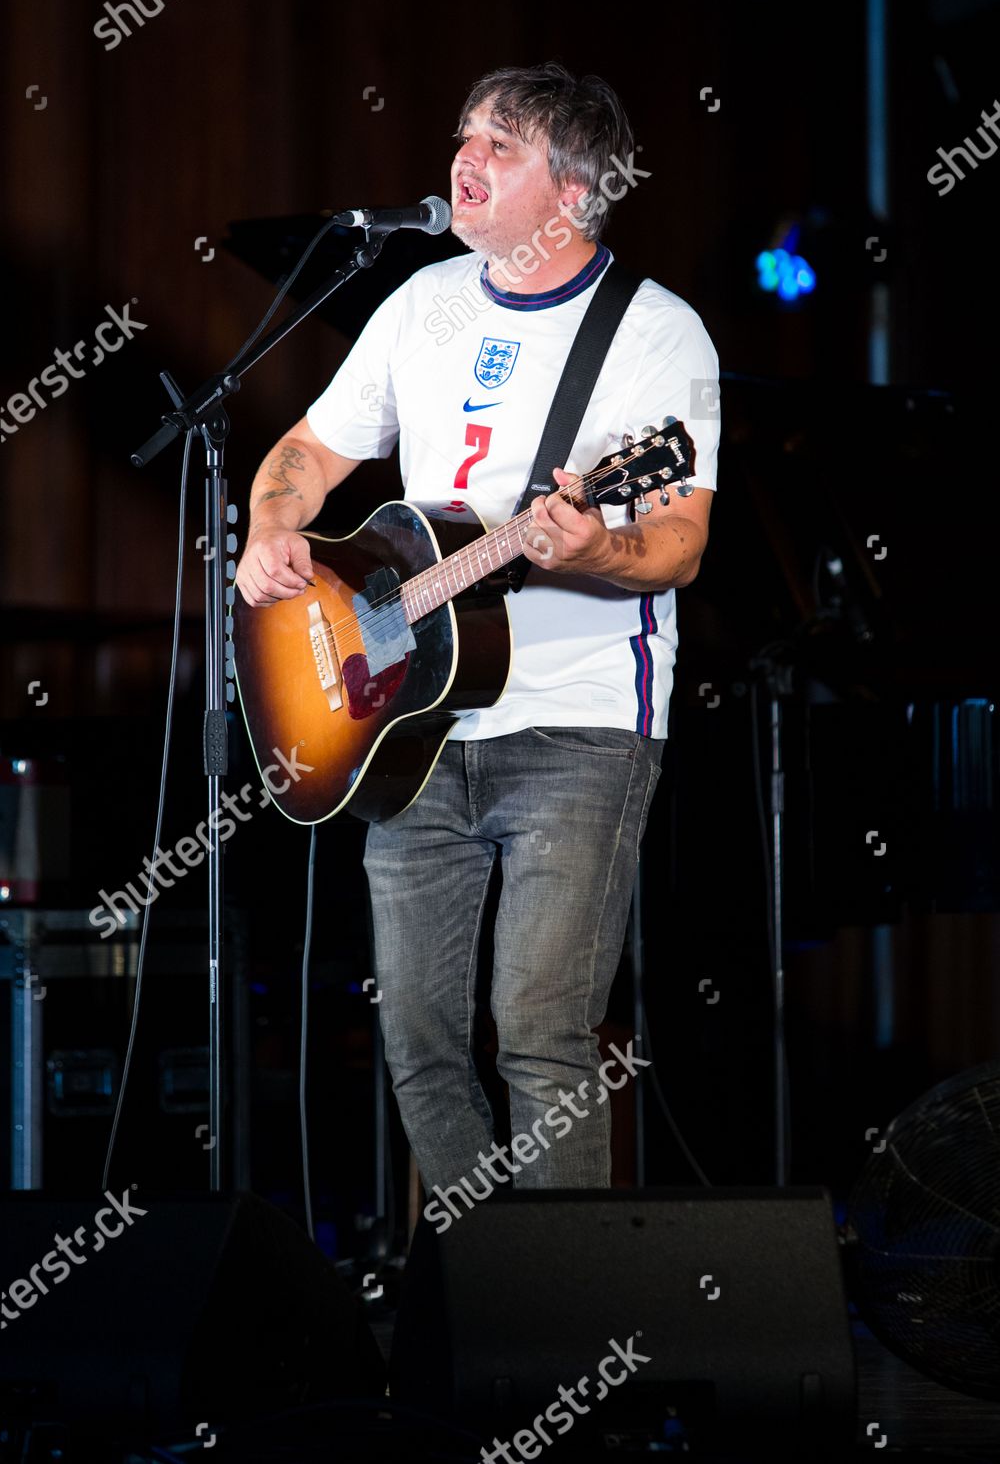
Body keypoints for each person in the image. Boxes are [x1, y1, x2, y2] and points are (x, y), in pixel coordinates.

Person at [235, 62, 720, 1202]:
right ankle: (478, 1306)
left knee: (540, 1031)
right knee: (415, 1040)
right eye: (464, 134)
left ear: (575, 190)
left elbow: (681, 540)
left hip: (579, 723)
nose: (464, 157)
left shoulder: (657, 334)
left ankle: (563, 1336)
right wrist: (270, 525)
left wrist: (593, 546)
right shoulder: (421, 304)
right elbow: (308, 454)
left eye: (500, 145)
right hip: (407, 728)